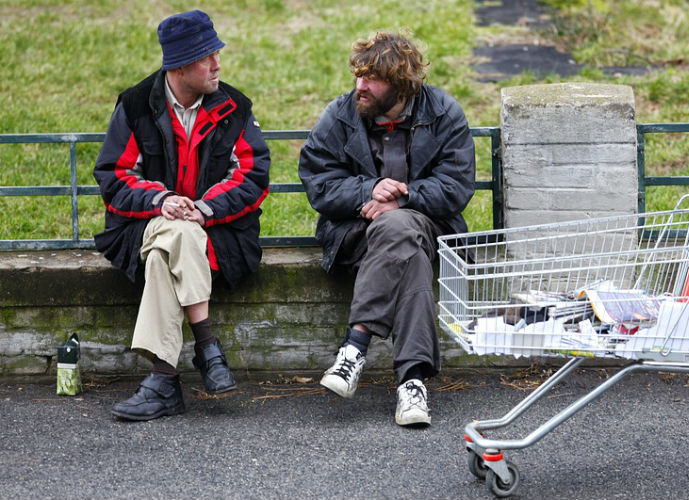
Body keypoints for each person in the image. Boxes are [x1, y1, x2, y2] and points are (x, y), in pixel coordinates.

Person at [93, 10, 270, 421]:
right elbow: (115, 176)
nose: (217, 64)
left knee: (166, 252)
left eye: (216, 54)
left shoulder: (234, 106)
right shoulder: (136, 105)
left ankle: (163, 380)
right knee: (174, 232)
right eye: (207, 56)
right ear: (179, 65)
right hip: (143, 225)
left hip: (221, 234)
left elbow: (253, 175)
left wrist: (203, 209)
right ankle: (207, 347)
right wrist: (162, 201)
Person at [298, 32, 475, 427]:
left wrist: (404, 197)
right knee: (406, 253)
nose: (360, 85)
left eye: (371, 79)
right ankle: (412, 383)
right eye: (358, 75)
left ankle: (354, 347)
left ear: (400, 84)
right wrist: (367, 189)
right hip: (356, 233)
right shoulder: (341, 114)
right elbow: (318, 180)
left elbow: (456, 186)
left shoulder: (443, 112)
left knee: (401, 227)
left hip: (429, 227)